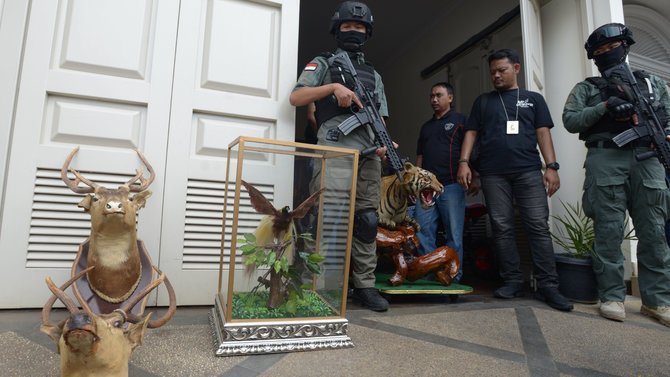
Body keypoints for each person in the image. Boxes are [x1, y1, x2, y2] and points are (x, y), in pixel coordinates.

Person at [563, 23, 670, 326]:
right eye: (601, 51)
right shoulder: (588, 87)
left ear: (625, 47)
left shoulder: (652, 84)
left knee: (653, 232)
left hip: (647, 159)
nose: (609, 54)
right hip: (606, 156)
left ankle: (657, 301)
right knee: (608, 232)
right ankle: (611, 296)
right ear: (594, 58)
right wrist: (605, 106)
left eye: (614, 48)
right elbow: (570, 120)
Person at [289, 1, 391, 311]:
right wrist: (333, 87)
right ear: (338, 29)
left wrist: (385, 142)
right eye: (348, 26)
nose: (354, 31)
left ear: (367, 32)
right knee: (326, 216)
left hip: (370, 152)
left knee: (366, 220)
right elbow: (296, 97)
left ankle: (364, 284)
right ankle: (314, 284)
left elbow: (381, 117)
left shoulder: (374, 75)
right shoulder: (323, 63)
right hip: (335, 145)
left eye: (359, 28)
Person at [457, 48, 573, 312]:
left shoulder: (533, 100)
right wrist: (464, 164)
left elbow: (543, 134)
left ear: (516, 69)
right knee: (501, 227)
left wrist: (552, 167)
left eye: (502, 70)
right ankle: (512, 281)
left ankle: (548, 285)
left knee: (537, 226)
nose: (496, 76)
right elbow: (471, 134)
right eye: (493, 72)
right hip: (492, 174)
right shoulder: (483, 102)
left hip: (528, 171)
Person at [415, 82, 472, 282]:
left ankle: (453, 277)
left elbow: (471, 150)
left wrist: (474, 176)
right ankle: (429, 275)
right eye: (431, 96)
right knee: (423, 234)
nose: (434, 99)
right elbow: (420, 157)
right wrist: (418, 182)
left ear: (450, 97)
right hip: (427, 190)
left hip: (451, 186)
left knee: (454, 236)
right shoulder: (426, 127)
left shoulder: (461, 121)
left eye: (438, 95)